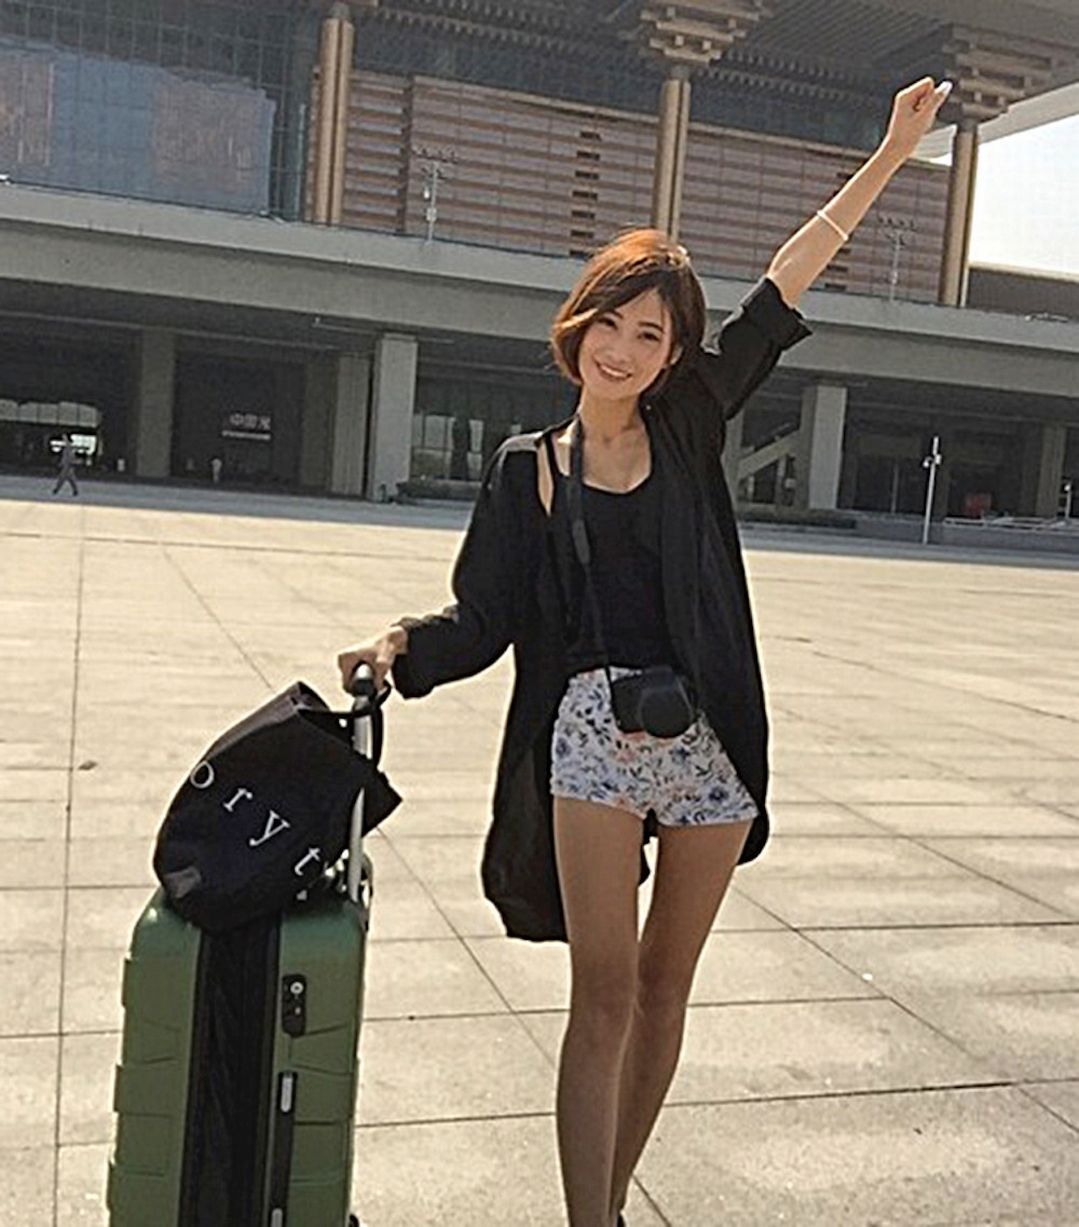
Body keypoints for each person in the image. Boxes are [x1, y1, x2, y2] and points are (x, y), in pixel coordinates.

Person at [338, 77, 952, 1227]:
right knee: (605, 995)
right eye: (609, 323)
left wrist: (888, 153)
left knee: (667, 989)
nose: (621, 349)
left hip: (706, 735)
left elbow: (783, 284)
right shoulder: (527, 467)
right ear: (579, 325)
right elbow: (483, 618)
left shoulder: (689, 426)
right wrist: (397, 646)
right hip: (589, 741)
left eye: (648, 333)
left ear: (672, 356)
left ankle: (611, 1204)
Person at [52, 433, 79, 497]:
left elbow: (68, 457)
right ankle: (75, 491)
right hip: (67, 465)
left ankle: (56, 490)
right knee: (71, 479)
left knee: (63, 478)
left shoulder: (68, 448)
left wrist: (65, 463)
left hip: (67, 466)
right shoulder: (68, 448)